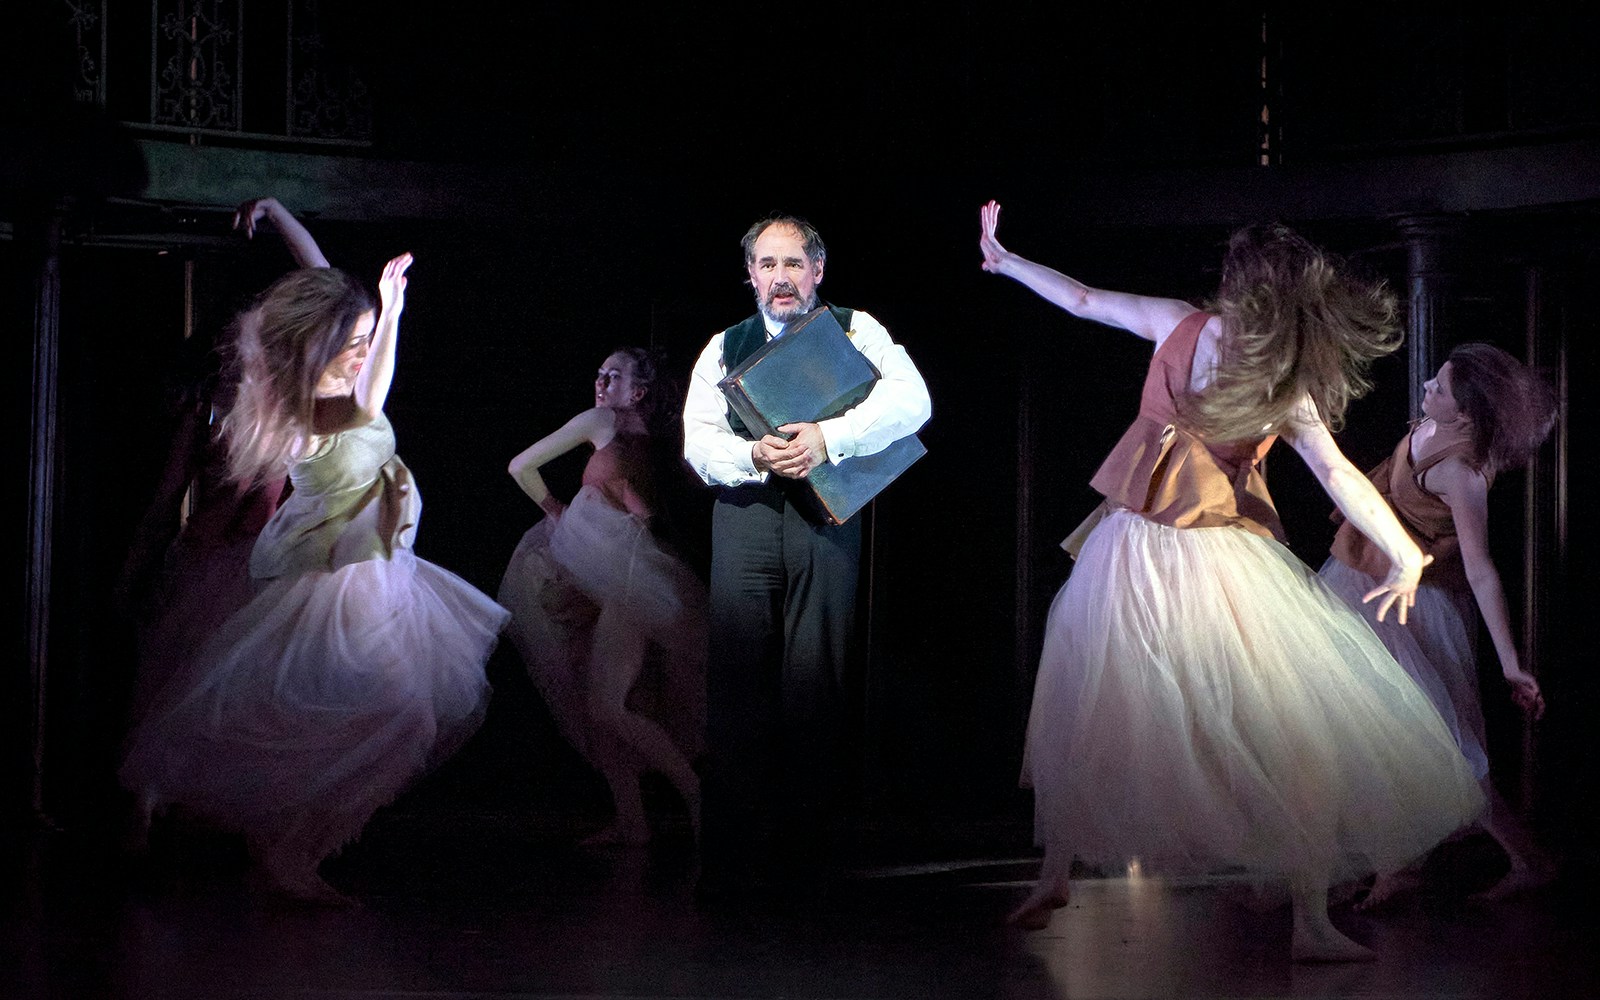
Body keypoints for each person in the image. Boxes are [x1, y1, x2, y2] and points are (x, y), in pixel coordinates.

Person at [979, 200, 1482, 961]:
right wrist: (1405, 553)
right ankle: (1309, 922)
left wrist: (1006, 259)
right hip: (1212, 558)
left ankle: (1057, 873)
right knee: (1295, 734)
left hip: (1133, 547)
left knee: (1100, 711)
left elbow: (1082, 298)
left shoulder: (1180, 325)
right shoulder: (1283, 380)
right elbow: (1339, 477)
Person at [120, 252, 508, 904]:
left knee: (404, 716)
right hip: (331, 587)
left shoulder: (348, 397)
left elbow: (373, 377)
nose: (361, 353)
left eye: (363, 340)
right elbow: (351, 387)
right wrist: (381, 315)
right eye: (351, 342)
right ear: (321, 347)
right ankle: (280, 844)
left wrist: (391, 309)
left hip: (383, 579)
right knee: (357, 711)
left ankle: (295, 845)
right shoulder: (309, 413)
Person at [683, 213, 931, 885]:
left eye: (793, 264)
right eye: (767, 265)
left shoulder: (855, 329)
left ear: (817, 271)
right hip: (747, 514)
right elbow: (697, 440)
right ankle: (734, 858)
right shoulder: (724, 345)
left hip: (827, 515)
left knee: (814, 679)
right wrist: (751, 452)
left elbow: (914, 403)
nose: (780, 278)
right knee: (738, 679)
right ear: (751, 276)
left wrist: (831, 438)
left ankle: (805, 857)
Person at [1320, 342, 1558, 906]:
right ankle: (1385, 862)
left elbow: (1481, 572)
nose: (1427, 387)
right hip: (1363, 583)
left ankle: (1525, 860)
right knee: (1360, 731)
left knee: (1443, 745)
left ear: (1468, 414)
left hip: (1413, 608)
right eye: (1434, 380)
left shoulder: (1461, 473)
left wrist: (1511, 667)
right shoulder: (1427, 426)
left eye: (1440, 388)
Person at [499, 346, 707, 846]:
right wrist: (555, 509)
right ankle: (634, 820)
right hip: (618, 578)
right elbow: (521, 467)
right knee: (605, 704)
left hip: (636, 579)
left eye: (613, 377)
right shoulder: (611, 426)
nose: (600, 383)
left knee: (609, 705)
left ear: (638, 391)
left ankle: (697, 799)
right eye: (599, 374)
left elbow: (521, 467)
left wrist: (611, 508)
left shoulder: (651, 440)